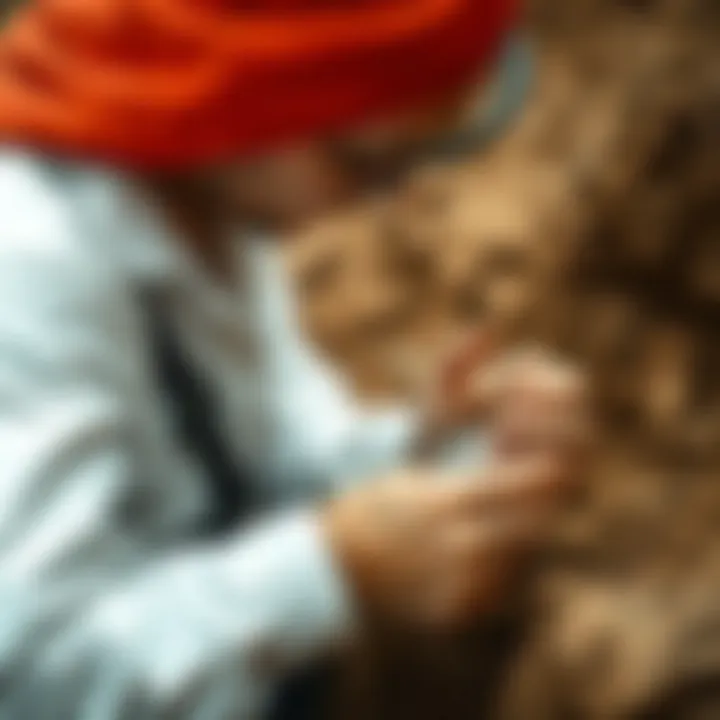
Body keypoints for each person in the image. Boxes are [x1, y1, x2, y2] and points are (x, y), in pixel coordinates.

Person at [0, 1, 586, 718]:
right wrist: (331, 567)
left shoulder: (210, 199)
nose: (393, 198)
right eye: (370, 164)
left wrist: (424, 447)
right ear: (240, 102)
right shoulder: (29, 269)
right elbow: (32, 679)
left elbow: (269, 464)